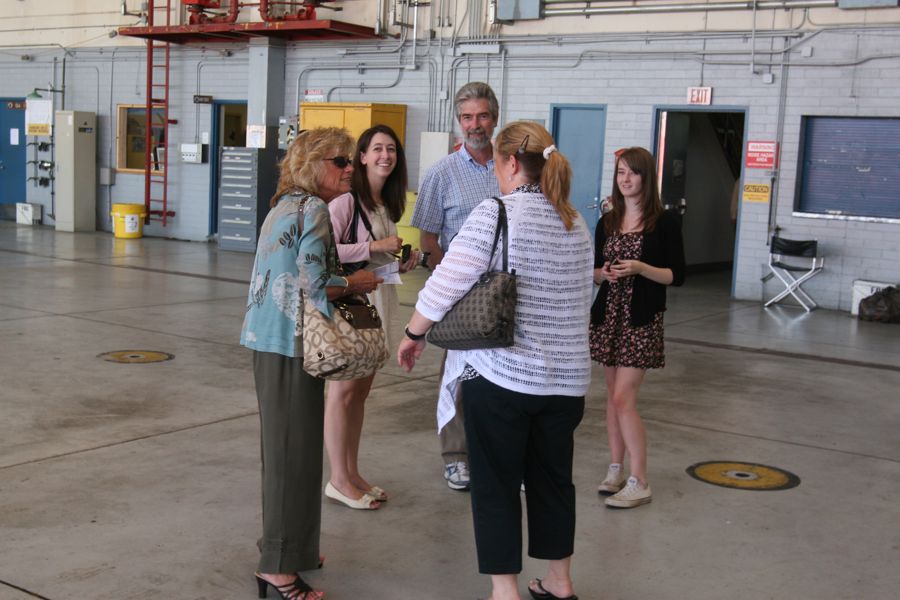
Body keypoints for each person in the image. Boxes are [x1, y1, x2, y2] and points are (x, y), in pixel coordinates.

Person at [398, 121, 594, 600]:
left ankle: (504, 591)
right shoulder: (574, 220)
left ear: (509, 163)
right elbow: (584, 294)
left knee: (497, 485)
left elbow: (448, 279)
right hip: (566, 384)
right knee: (554, 483)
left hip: (504, 379)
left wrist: (413, 334)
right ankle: (559, 583)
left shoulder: (498, 213)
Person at [240, 127, 382, 599]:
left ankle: (292, 548)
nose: (349, 169)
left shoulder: (284, 204)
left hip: (271, 340)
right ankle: (278, 570)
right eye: (340, 161)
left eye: (349, 161)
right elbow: (316, 283)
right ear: (313, 163)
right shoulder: (315, 208)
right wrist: (359, 280)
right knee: (292, 457)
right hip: (290, 344)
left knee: (289, 453)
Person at [410, 81, 501, 491]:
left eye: (482, 116)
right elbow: (427, 238)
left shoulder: (509, 165)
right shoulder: (441, 174)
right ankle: (456, 455)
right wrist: (447, 278)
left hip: (506, 290)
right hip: (462, 293)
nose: (475, 124)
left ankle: (496, 453)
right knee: (459, 375)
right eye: (467, 117)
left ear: (494, 118)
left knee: (504, 374)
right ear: (458, 122)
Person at [325, 125, 418, 509]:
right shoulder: (346, 201)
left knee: (361, 393)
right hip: (349, 306)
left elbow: (376, 267)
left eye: (391, 149)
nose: (385, 155)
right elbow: (323, 248)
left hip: (377, 302)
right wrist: (375, 245)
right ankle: (337, 478)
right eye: (377, 148)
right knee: (343, 392)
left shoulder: (384, 204)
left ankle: (352, 472)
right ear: (362, 156)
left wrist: (402, 266)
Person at [590, 146, 686, 509]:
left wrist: (640, 268)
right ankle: (615, 468)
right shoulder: (607, 222)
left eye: (632, 173)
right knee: (611, 397)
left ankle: (640, 479)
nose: (625, 180)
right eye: (620, 173)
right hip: (608, 317)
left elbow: (677, 275)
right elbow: (595, 271)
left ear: (647, 177)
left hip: (640, 319)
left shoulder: (664, 222)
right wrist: (605, 273)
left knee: (623, 398)